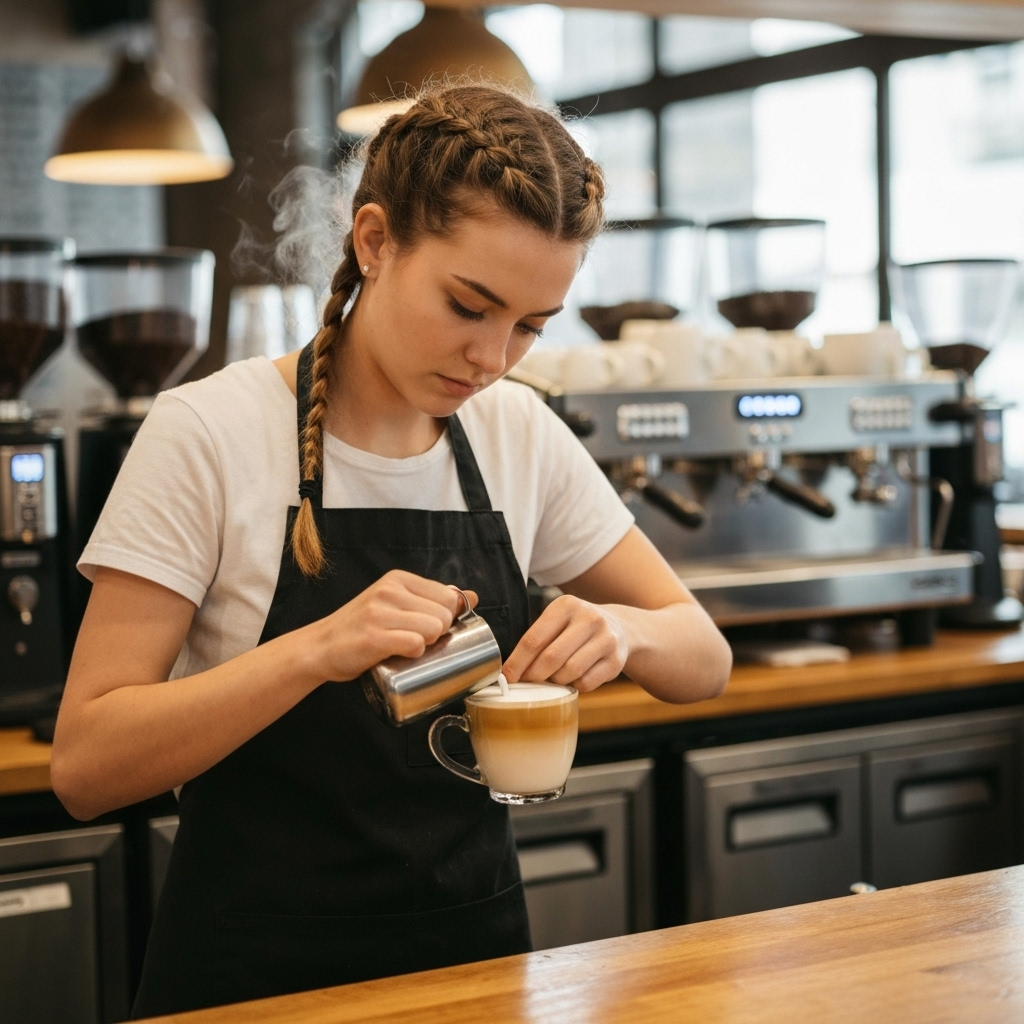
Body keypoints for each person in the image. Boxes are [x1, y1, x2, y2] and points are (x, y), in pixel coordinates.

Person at [51, 84, 732, 1017]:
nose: (493, 358)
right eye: (468, 305)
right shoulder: (208, 431)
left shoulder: (517, 436)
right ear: (375, 241)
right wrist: (316, 649)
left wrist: (623, 632)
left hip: (475, 969)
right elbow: (86, 766)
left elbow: (705, 658)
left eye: (530, 326)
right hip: (256, 978)